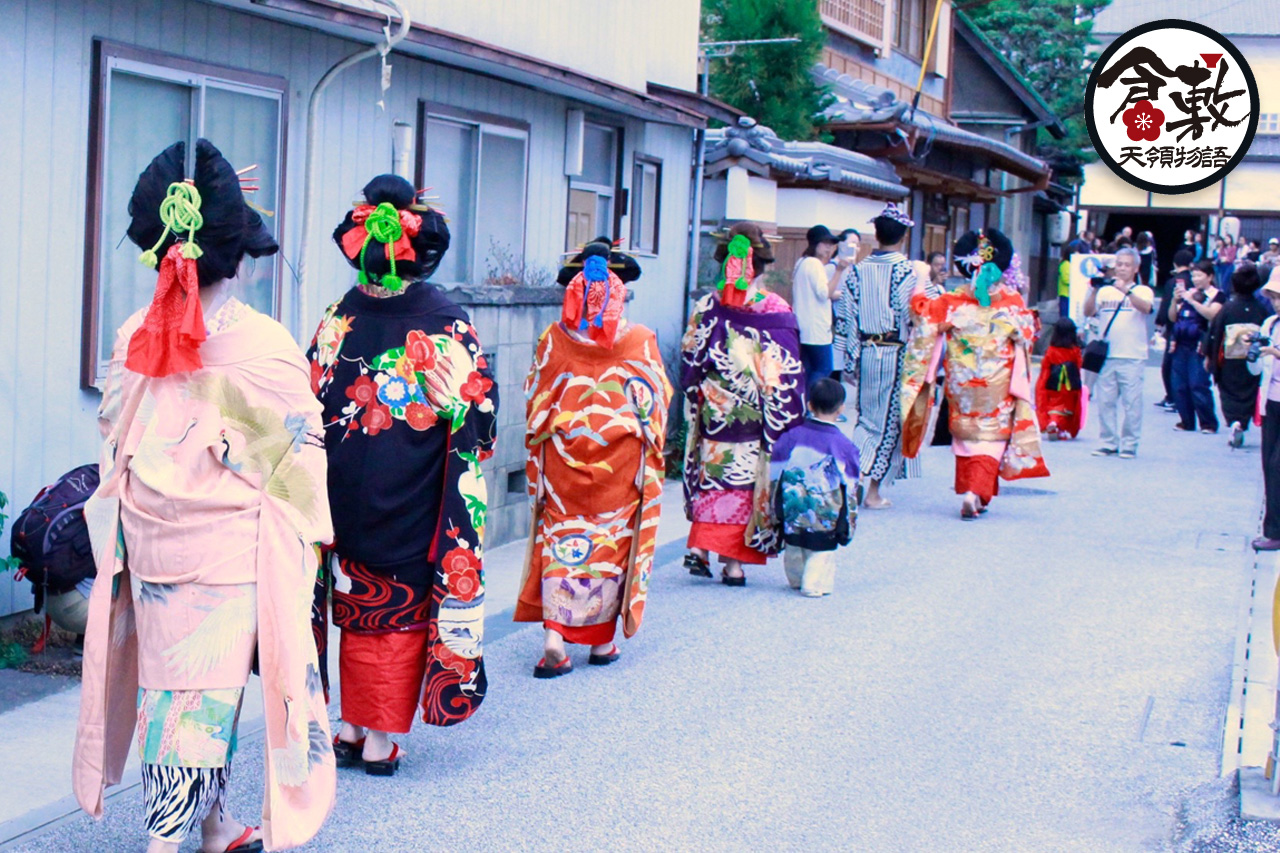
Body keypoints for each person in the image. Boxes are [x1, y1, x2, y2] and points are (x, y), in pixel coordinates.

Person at [75, 139, 334, 853]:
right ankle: (164, 841)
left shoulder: (135, 336)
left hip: (154, 545)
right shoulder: (267, 345)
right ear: (239, 256)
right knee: (194, 706)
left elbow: (114, 434)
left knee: (187, 695)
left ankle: (217, 824)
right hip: (230, 558)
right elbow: (298, 462)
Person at [309, 175, 496, 775]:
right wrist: (456, 411)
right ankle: (379, 737)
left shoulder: (337, 318)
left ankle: (350, 725)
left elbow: (308, 393)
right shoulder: (445, 319)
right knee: (396, 612)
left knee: (357, 604)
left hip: (342, 488)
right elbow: (480, 416)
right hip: (412, 488)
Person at [516, 240, 671, 677]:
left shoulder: (554, 339)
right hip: (619, 462)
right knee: (610, 541)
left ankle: (554, 636)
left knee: (561, 536)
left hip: (563, 457)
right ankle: (601, 641)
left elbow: (535, 398)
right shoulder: (639, 341)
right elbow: (655, 404)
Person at [681, 222, 805, 585]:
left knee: (713, 476)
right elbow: (788, 369)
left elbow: (691, 355)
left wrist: (703, 390)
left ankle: (701, 547)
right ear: (763, 267)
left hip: (715, 409)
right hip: (756, 413)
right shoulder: (775, 307)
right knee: (745, 483)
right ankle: (733, 565)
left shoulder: (707, 304)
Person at [901, 228, 1049, 519]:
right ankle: (974, 492)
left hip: (963, 384)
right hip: (998, 384)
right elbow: (1029, 331)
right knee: (991, 437)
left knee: (968, 437)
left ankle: (977, 494)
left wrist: (920, 282)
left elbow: (922, 317)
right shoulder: (1011, 300)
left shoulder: (953, 301)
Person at [833, 203, 921, 509]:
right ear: (902, 237)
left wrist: (849, 359)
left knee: (866, 419)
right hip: (896, 352)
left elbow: (846, 317)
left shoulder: (856, 271)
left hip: (867, 351)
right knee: (889, 422)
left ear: (877, 235)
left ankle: (853, 478)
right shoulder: (907, 271)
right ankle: (868, 489)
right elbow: (910, 313)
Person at [769, 378, 859, 598]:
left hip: (792, 501)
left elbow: (775, 469)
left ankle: (796, 578)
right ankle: (813, 583)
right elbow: (851, 480)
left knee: (794, 541)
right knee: (822, 546)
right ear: (840, 409)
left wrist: (773, 500)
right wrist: (850, 512)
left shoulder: (791, 436)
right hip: (825, 504)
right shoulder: (843, 444)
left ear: (809, 405)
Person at [1086, 246, 1155, 459]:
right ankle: (1108, 441)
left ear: (1135, 268)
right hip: (1107, 354)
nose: (1122, 269)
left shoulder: (1143, 290)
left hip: (1132, 355)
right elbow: (1088, 312)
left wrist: (1125, 290)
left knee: (1132, 402)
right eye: (1119, 264)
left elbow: (1146, 308)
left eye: (1126, 265)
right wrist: (1093, 289)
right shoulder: (1105, 291)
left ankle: (1129, 443)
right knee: (1106, 401)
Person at [1207, 263, 1272, 448]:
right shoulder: (1262, 310)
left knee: (1228, 392)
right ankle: (1242, 423)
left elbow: (1216, 334)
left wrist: (1209, 356)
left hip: (1229, 359)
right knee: (1249, 392)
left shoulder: (1227, 309)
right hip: (1252, 359)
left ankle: (1233, 421)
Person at [1168, 259, 1225, 433]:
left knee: (1198, 384)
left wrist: (1192, 301)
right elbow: (1172, 317)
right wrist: (1174, 300)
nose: (1195, 278)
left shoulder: (1218, 295)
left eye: (1199, 275)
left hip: (1201, 344)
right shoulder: (1188, 293)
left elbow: (1212, 315)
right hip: (1181, 342)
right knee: (1179, 384)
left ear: (1210, 276)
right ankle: (1186, 420)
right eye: (1193, 275)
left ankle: (1208, 423)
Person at [792, 225, 848, 385]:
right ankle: (812, 406)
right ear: (815, 244)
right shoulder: (815, 264)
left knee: (808, 369)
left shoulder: (801, 262)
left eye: (831, 244)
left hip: (802, 325)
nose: (829, 247)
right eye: (825, 243)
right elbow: (825, 293)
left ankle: (804, 406)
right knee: (824, 369)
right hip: (816, 329)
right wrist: (839, 271)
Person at [1249, 275, 1280, 550]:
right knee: (1269, 463)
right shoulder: (1270, 323)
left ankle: (1276, 532)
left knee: (1277, 465)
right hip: (1271, 399)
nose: (1277, 303)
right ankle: (1272, 529)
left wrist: (1275, 351)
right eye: (1274, 297)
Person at [1155, 250, 1195, 411]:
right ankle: (1179, 397)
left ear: (1175, 264)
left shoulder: (1173, 282)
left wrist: (1159, 322)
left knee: (1169, 363)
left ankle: (1172, 396)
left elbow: (1166, 304)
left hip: (1174, 327)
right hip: (1191, 325)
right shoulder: (1193, 280)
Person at [1036, 317, 1086, 440]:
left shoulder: (1051, 349)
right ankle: (1059, 426)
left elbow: (1045, 365)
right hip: (1070, 383)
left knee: (1054, 405)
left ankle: (1053, 423)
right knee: (1066, 407)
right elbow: (1079, 364)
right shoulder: (1075, 350)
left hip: (1053, 382)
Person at [1057, 248, 1072, 320]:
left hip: (1067, 293)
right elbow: (1066, 279)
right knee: (1064, 314)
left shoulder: (1067, 264)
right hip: (1065, 293)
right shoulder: (1066, 264)